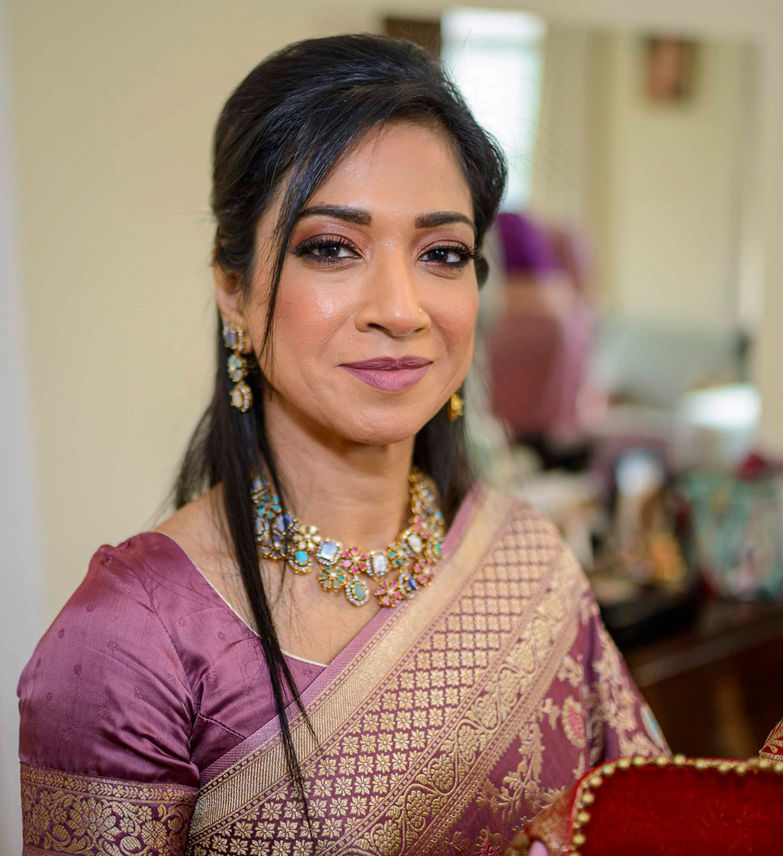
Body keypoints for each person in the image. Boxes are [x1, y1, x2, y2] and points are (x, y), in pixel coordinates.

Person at [18, 34, 666, 856]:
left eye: (443, 253)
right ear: (234, 291)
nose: (401, 308)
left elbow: (655, 816)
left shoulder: (527, 560)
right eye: (331, 247)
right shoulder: (131, 640)